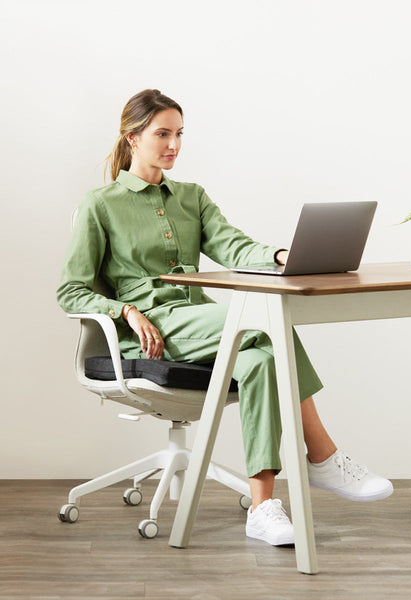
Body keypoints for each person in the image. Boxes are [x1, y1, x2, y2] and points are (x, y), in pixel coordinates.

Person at [57, 89, 393, 546]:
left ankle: (262, 508)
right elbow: (70, 290)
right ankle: (323, 457)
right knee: (267, 323)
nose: (173, 144)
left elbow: (234, 247)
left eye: (179, 134)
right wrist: (125, 310)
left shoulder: (191, 197)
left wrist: (279, 254)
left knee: (259, 361)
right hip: (154, 328)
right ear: (132, 138)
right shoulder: (101, 204)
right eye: (162, 134)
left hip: (198, 320)